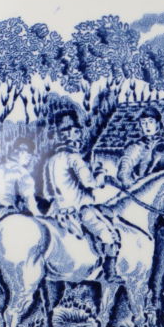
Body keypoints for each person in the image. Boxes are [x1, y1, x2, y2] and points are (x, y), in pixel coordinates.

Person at [43, 109, 121, 282]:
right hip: (79, 209)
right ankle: (109, 274)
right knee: (110, 235)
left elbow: (48, 191)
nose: (79, 135)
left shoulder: (51, 160)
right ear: (69, 134)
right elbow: (90, 183)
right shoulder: (74, 157)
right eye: (76, 131)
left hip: (55, 211)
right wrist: (101, 174)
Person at [117, 105, 164, 187]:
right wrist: (129, 183)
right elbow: (124, 169)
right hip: (141, 188)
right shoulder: (136, 147)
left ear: (157, 124)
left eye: (151, 122)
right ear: (140, 126)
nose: (147, 126)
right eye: (143, 123)